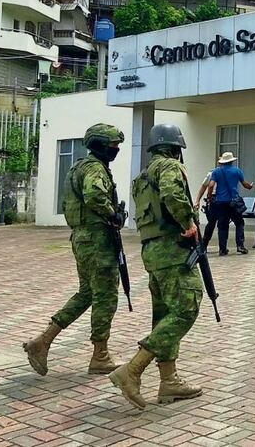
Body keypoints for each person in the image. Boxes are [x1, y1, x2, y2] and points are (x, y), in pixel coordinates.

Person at [109, 123, 202, 409]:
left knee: (164, 314)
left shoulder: (141, 177)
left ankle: (169, 380)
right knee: (187, 307)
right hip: (173, 250)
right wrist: (188, 223)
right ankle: (132, 370)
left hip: (152, 251)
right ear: (175, 147)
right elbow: (174, 196)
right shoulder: (170, 167)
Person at [23, 123, 125, 376]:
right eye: (113, 145)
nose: (116, 149)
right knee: (105, 296)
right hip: (96, 239)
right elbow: (94, 196)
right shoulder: (93, 169)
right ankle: (100, 355)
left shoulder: (78, 166)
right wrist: (114, 214)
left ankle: (43, 341)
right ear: (101, 145)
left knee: (87, 293)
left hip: (83, 238)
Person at [206, 152, 253, 255]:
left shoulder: (216, 171)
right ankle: (240, 246)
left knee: (222, 226)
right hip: (234, 202)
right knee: (239, 223)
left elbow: (211, 185)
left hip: (220, 202)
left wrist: (209, 197)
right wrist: (250, 186)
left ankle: (222, 249)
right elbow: (245, 184)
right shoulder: (237, 171)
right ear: (232, 161)